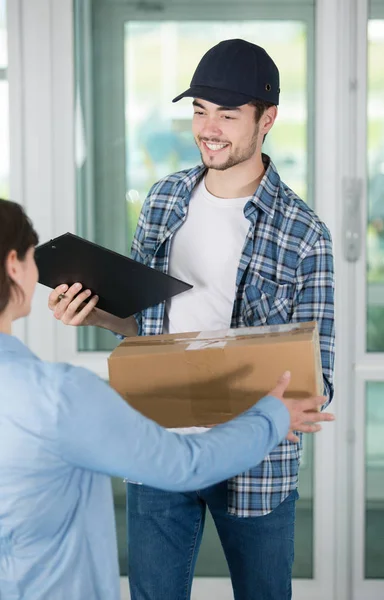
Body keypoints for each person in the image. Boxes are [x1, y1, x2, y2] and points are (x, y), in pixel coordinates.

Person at [48, 39, 335, 600]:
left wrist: (269, 396)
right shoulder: (162, 201)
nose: (209, 128)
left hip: (254, 459)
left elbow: (318, 383)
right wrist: (98, 315)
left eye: (227, 115)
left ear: (266, 119)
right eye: (200, 110)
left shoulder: (305, 235)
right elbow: (146, 330)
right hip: (159, 443)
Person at [0, 198, 334, 600]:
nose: (209, 130)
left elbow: (318, 372)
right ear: (15, 266)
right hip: (170, 448)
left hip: (253, 468)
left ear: (264, 128)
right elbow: (187, 464)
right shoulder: (59, 395)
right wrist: (271, 416)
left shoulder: (303, 230)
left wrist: (99, 315)